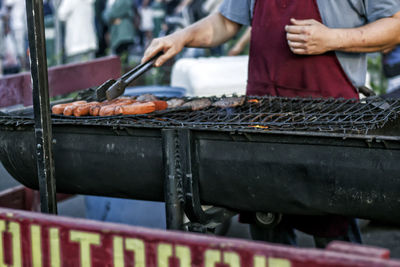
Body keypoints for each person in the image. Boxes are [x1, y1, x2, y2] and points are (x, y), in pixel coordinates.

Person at [142, 0, 400, 247]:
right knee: (266, 227)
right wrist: (181, 37)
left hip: (329, 120)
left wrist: (332, 39)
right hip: (261, 119)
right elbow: (225, 23)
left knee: (335, 230)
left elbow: (395, 26)